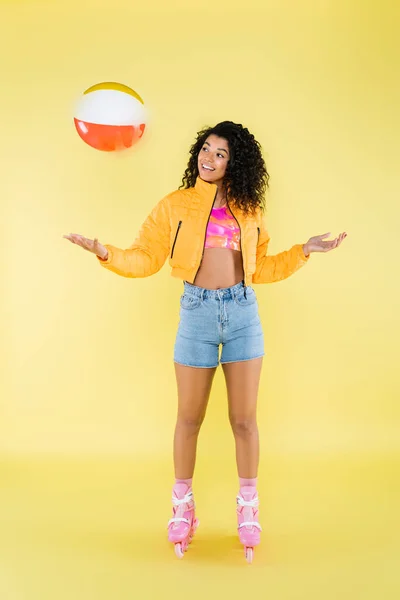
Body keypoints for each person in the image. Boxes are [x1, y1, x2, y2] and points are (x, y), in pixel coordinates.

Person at [63, 121, 347, 562]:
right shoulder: (175, 205)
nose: (208, 158)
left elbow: (263, 268)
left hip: (242, 314)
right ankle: (183, 507)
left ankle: (248, 508)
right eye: (206, 149)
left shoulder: (250, 210)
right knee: (188, 419)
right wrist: (106, 253)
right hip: (195, 313)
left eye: (220, 154)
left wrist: (304, 251)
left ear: (236, 164)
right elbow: (145, 259)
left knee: (244, 421)